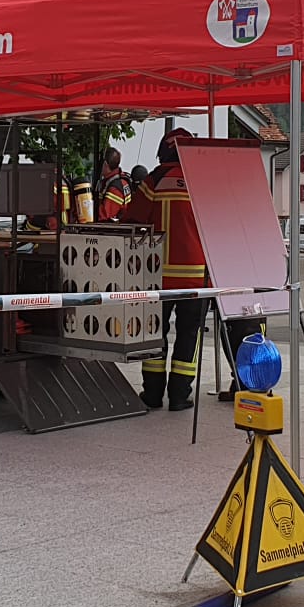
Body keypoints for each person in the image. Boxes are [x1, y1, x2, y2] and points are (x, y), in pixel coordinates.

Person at [121, 128, 211, 410]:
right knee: (189, 335)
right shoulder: (203, 180)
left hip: (157, 276)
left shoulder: (154, 180)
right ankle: (179, 396)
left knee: (153, 333)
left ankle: (152, 394)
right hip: (196, 278)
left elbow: (133, 219)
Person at [95, 147, 132, 222]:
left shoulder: (115, 188)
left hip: (113, 228)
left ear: (105, 164)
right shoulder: (114, 180)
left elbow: (104, 215)